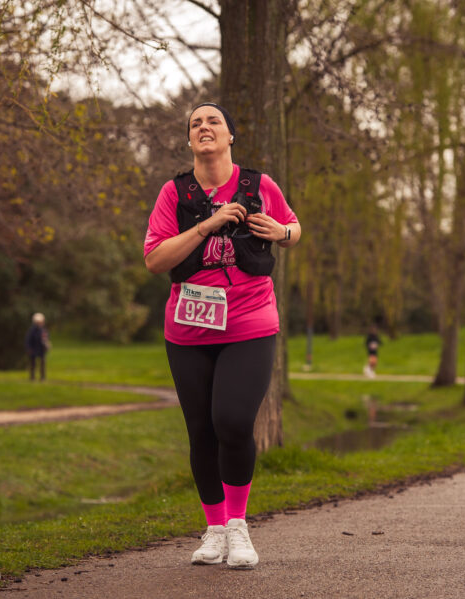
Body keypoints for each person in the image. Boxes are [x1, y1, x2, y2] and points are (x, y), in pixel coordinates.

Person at [144, 102, 301, 568]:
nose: (204, 127)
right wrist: (207, 225)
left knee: (231, 421)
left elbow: (294, 228)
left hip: (250, 320)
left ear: (230, 135)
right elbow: (155, 259)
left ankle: (238, 527)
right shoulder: (174, 193)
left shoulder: (259, 185)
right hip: (188, 327)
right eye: (196, 123)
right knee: (201, 431)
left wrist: (283, 232)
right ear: (190, 140)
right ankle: (214, 530)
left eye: (213, 121)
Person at [25, 312, 50, 381]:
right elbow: (28, 340)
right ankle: (32, 377)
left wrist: (47, 345)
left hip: (41, 349)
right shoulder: (32, 331)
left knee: (42, 363)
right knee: (33, 363)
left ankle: (42, 377)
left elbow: (46, 338)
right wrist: (29, 348)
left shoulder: (43, 330)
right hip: (33, 349)